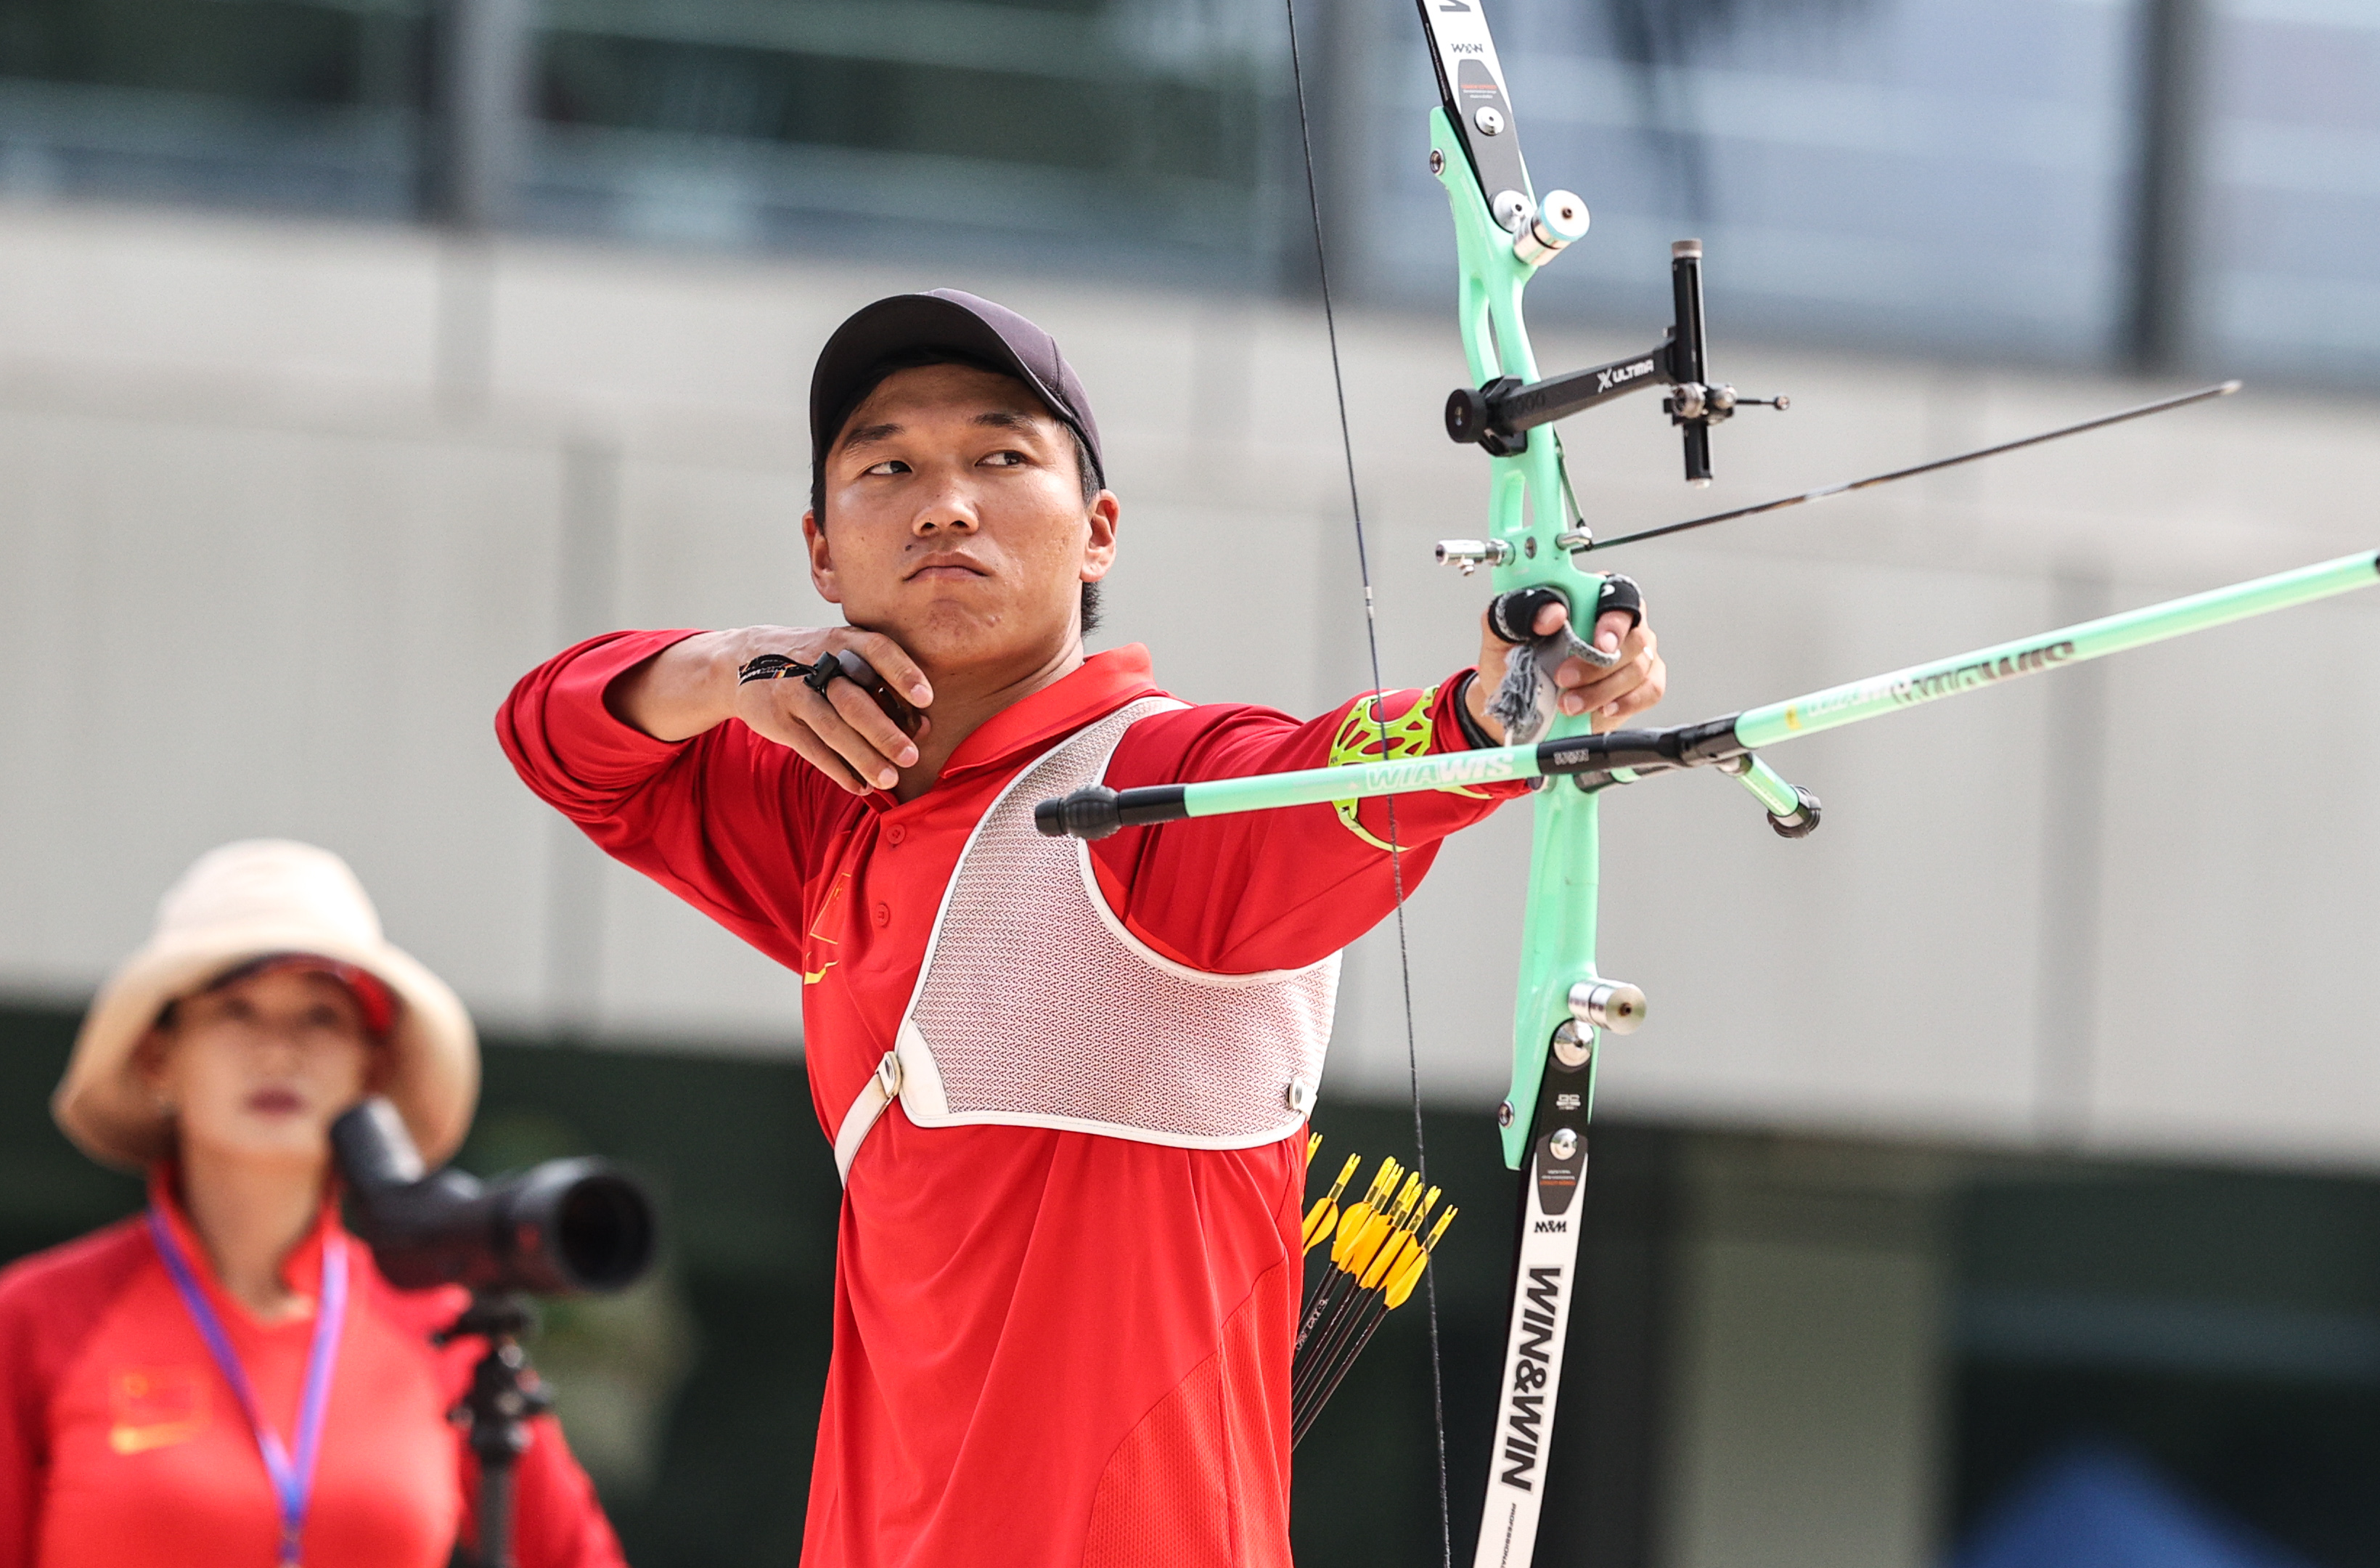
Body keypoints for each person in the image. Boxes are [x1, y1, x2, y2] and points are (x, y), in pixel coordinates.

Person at [495, 289, 1668, 1567]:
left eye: (1003, 457)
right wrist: (728, 669)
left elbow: (1327, 783)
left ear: (1097, 530)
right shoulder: (837, 804)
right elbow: (557, 740)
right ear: (823, 555)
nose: (946, 500)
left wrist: (1501, 706)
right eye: (888, 466)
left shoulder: (1154, 792)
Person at [0, 840, 628, 1568]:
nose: (278, 1052)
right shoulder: (35, 1322)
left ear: (373, 1065)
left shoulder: (442, 1331)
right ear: (158, 1057)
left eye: (320, 1018)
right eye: (236, 1010)